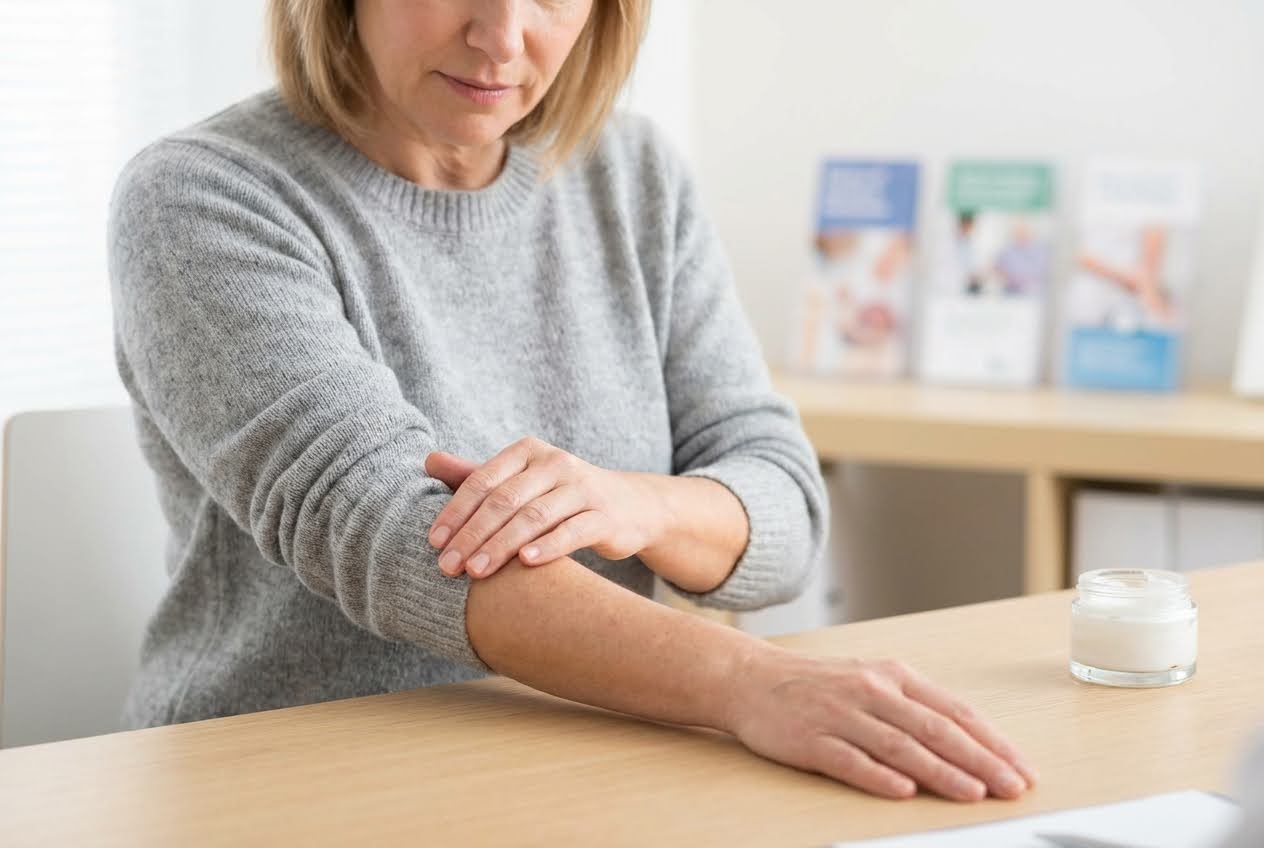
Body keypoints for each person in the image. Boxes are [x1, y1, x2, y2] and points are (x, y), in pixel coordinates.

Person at [106, 0, 1036, 803]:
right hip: (287, 779)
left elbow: (784, 507)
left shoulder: (631, 174)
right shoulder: (203, 196)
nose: (502, 39)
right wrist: (754, 684)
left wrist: (641, 501)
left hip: (597, 756)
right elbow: (400, 545)